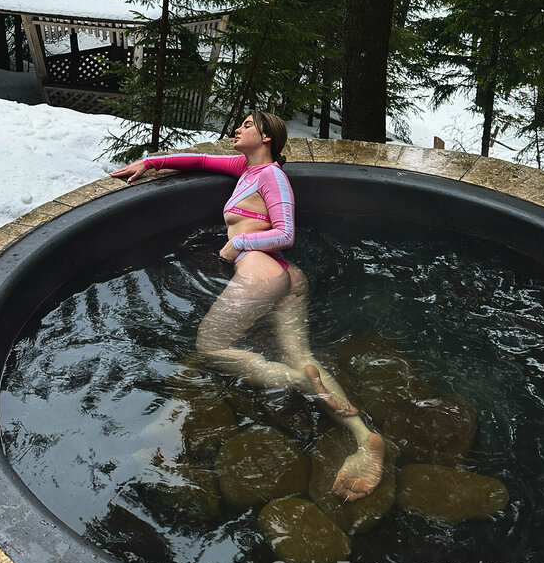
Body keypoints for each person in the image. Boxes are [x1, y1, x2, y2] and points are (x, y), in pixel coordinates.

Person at [110, 111, 385, 501]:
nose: (238, 129)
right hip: (284, 276)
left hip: (261, 271)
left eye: (248, 125)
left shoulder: (273, 176)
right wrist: (151, 163)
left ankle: (298, 382)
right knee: (302, 355)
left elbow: (285, 234)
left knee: (210, 347)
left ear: (267, 137)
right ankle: (363, 437)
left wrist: (237, 243)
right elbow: (200, 160)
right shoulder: (246, 169)